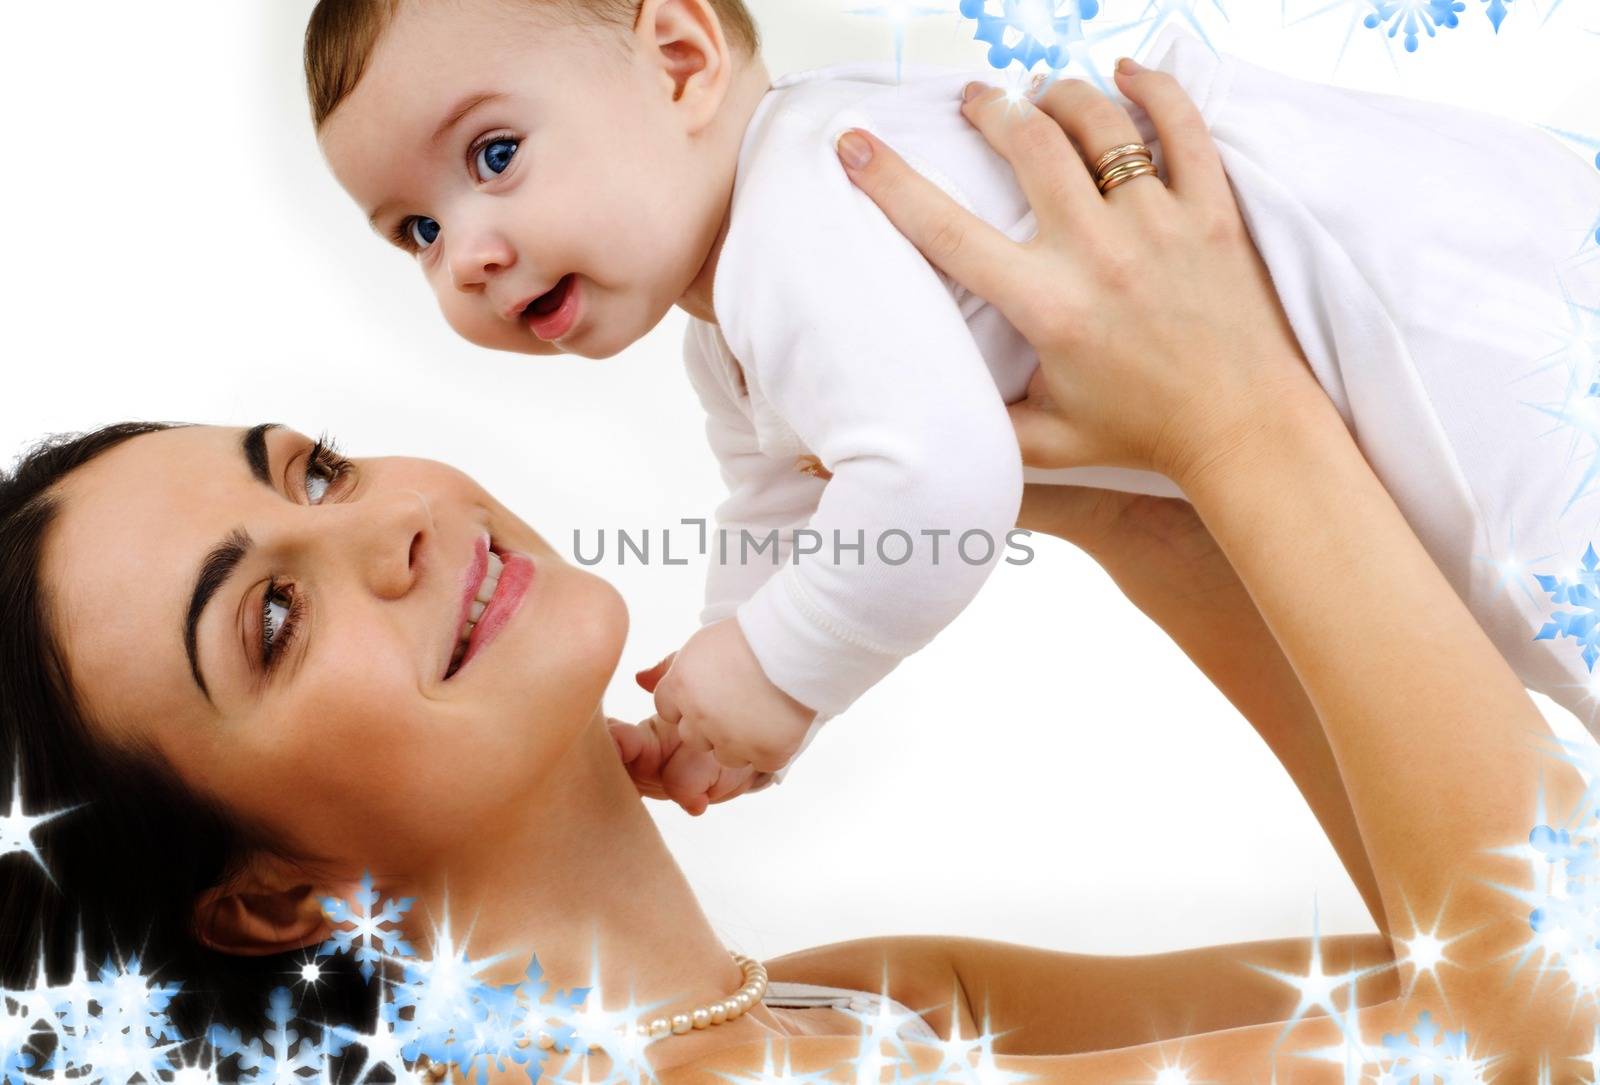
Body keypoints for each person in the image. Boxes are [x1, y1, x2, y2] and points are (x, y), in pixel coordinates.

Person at [0, 67, 1590, 1082]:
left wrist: (1121, 484)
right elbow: (1549, 1030)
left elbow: (1449, 959)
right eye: (270, 616)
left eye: (318, 470)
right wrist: (1240, 405)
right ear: (273, 901)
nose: (385, 528)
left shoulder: (838, 1009)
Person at [306, 0, 1600, 804]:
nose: (465, 249)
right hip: (1400, 301)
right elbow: (781, 498)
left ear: (683, 59)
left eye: (493, 157)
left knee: (1551, 591)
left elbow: (940, 484)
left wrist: (773, 671)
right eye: (415, 228)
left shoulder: (801, 209)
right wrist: (716, 699)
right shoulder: (736, 312)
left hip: (1425, 324)